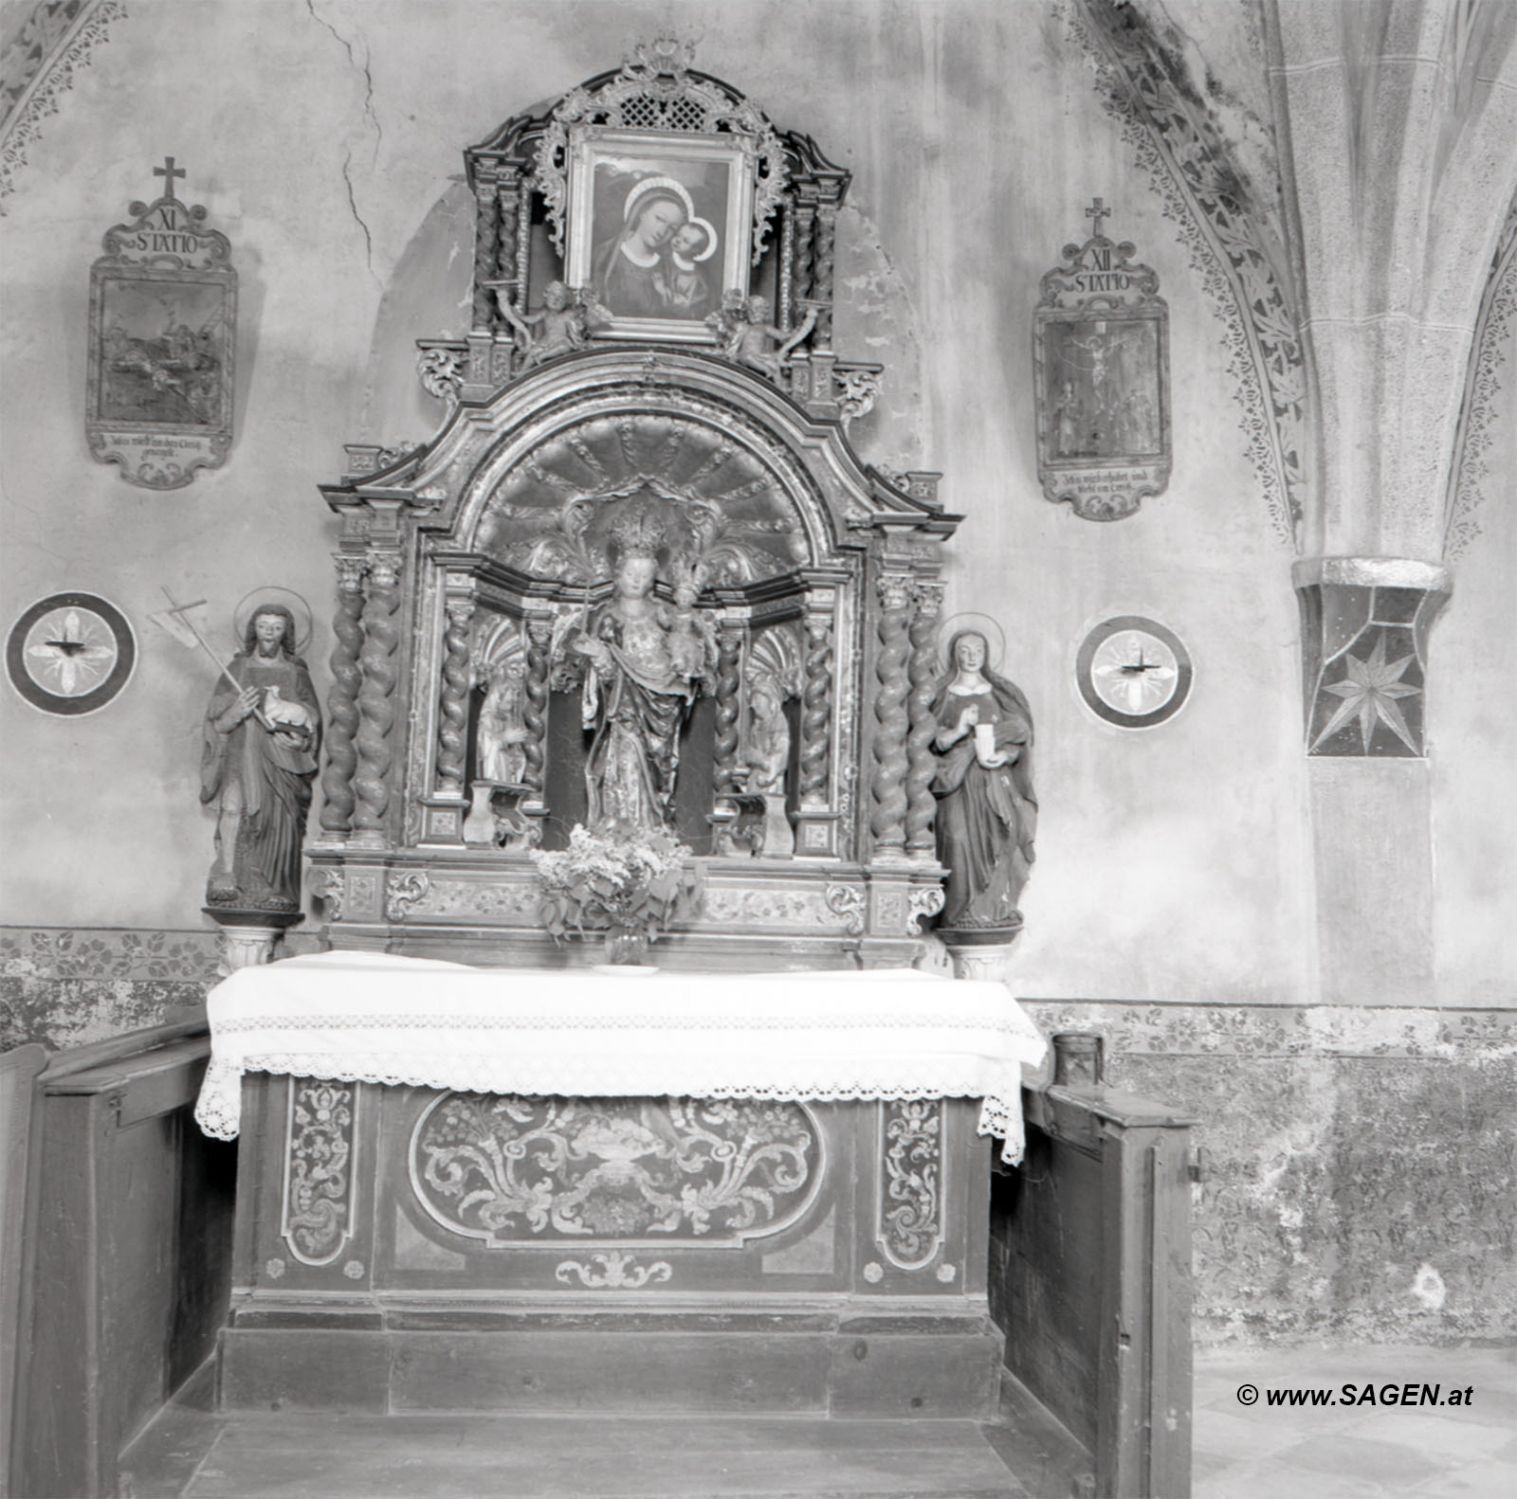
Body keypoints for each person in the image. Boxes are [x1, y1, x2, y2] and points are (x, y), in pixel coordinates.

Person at [572, 531, 701, 831]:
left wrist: (684, 610)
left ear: (653, 580)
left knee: (658, 762)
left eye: (643, 576)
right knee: (624, 759)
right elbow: (604, 674)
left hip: (661, 700)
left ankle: (652, 823)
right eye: (630, 573)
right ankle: (622, 825)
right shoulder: (607, 616)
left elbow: (685, 647)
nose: (635, 580)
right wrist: (598, 657)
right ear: (618, 575)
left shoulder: (661, 612)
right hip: (622, 703)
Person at [201, 605, 321, 912]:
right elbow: (216, 723)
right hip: (241, 753)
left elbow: (311, 719)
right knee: (232, 808)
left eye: (276, 627)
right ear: (253, 629)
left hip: (280, 759)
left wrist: (299, 738)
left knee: (275, 819)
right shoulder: (236, 669)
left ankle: (274, 886)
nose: (269, 633)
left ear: (286, 633)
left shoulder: (296, 673)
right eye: (263, 626)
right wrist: (236, 711)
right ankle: (227, 873)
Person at [930, 630, 1036, 930]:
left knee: (1001, 837)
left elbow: (1020, 735)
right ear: (954, 655)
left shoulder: (1000, 693)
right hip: (955, 784)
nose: (972, 656)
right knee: (957, 840)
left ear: (987, 653)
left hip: (993, 781)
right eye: (964, 650)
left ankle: (993, 909)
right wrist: (961, 730)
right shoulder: (942, 694)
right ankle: (959, 912)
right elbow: (926, 740)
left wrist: (1004, 756)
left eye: (978, 649)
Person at [591, 179, 689, 319]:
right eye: (659, 219)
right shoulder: (605, 253)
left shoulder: (667, 268)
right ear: (642, 212)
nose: (661, 232)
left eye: (672, 229)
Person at [476, 658, 530, 785]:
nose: (514, 698)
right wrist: (503, 739)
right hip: (493, 777)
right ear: (498, 695)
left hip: (507, 775)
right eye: (510, 693)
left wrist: (518, 756)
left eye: (516, 694)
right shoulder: (487, 719)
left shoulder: (511, 720)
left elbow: (518, 755)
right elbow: (484, 748)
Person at [655, 220, 716, 317]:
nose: (678, 240)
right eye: (678, 235)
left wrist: (663, 291)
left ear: (695, 250)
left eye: (685, 241)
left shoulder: (698, 277)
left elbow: (688, 304)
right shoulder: (663, 258)